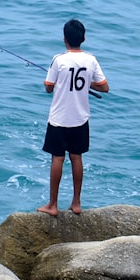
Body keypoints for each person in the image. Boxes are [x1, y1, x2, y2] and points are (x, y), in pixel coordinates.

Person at [37, 18, 109, 216]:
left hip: (59, 119)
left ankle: (52, 205)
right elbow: (104, 87)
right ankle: (76, 203)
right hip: (80, 119)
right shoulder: (91, 60)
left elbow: (48, 87)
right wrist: (87, 82)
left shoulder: (58, 60)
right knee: (76, 158)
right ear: (83, 38)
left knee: (57, 159)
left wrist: (56, 81)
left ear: (64, 39)